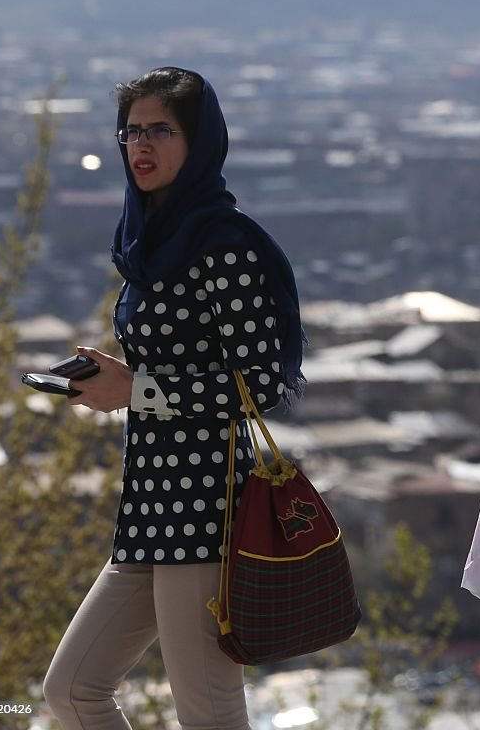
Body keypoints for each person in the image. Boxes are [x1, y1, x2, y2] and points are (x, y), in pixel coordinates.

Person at [43, 67, 305, 730]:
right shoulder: (149, 243)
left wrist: (137, 390)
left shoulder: (224, 245)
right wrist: (118, 374)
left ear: (200, 139)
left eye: (161, 129)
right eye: (131, 131)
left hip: (208, 505)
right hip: (149, 506)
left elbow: (261, 383)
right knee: (72, 691)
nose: (141, 145)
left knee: (208, 714)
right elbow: (174, 361)